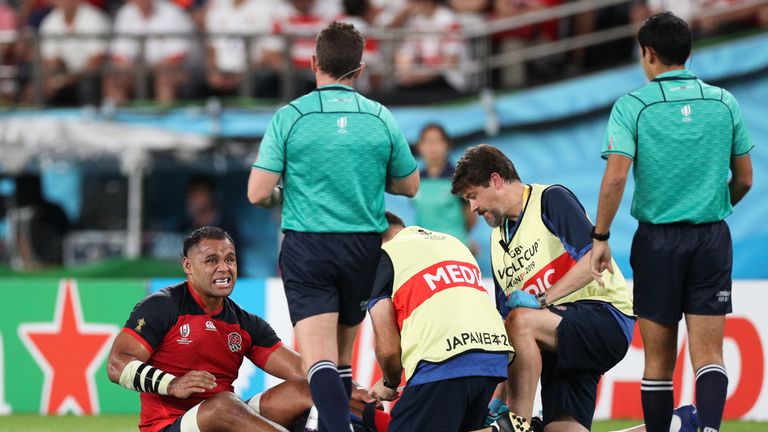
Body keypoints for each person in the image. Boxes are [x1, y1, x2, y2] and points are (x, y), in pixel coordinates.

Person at [247, 21, 419, 432]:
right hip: (363, 246)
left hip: (309, 246)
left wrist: (287, 188)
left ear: (313, 63)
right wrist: (368, 178)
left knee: (319, 359)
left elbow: (257, 192)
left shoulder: (290, 117)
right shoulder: (379, 117)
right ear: (359, 70)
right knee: (342, 357)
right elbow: (409, 185)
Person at [590, 12, 753, 432]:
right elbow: (746, 178)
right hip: (711, 239)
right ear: (689, 52)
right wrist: (715, 204)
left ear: (648, 54)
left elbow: (617, 175)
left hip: (658, 242)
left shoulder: (632, 107)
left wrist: (601, 235)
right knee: (709, 357)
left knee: (658, 362)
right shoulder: (724, 102)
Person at [106, 226, 382, 432]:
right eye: (212, 260)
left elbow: (302, 369)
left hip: (229, 420)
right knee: (224, 403)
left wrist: (350, 387)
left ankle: (392, 424)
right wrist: (173, 383)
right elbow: (117, 365)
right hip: (171, 425)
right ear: (188, 266)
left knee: (307, 388)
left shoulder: (245, 323)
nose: (224, 268)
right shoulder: (162, 306)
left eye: (230, 259)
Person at [451, 144, 635, 431]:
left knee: (522, 319)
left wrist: (543, 298)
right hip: (558, 341)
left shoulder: (550, 199)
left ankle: (518, 423)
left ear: (496, 180)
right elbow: (508, 334)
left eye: (473, 196)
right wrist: (498, 397)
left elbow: (594, 260)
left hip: (605, 317)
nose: (473, 208)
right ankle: (675, 424)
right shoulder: (497, 241)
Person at [367, 212, 513, 432]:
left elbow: (388, 349)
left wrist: (389, 383)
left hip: (442, 362)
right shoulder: (452, 242)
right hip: (492, 359)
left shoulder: (381, 257)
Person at [106, 0, 194, 105]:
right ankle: (118, 119)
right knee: (115, 78)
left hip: (173, 68)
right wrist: (130, 67)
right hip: (136, 68)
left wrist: (149, 68)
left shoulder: (173, 13)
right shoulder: (126, 12)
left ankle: (164, 117)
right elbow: (118, 54)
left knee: (164, 77)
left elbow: (178, 56)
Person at [412, 123, 475, 248]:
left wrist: (464, 237)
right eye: (427, 141)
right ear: (419, 146)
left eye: (437, 141)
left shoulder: (459, 177)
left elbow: (471, 212)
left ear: (447, 145)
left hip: (454, 245)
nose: (432, 146)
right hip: (425, 246)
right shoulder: (415, 179)